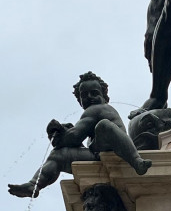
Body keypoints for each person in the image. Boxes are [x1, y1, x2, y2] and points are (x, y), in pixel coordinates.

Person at [8, 71, 150, 198]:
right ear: (80, 101)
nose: (90, 97)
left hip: (117, 151)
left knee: (104, 126)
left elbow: (75, 136)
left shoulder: (99, 109)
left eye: (94, 93)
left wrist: (59, 131)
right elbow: (75, 137)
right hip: (99, 153)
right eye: (84, 95)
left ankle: (136, 160)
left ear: (104, 96)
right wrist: (60, 133)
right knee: (58, 155)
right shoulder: (89, 114)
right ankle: (34, 184)